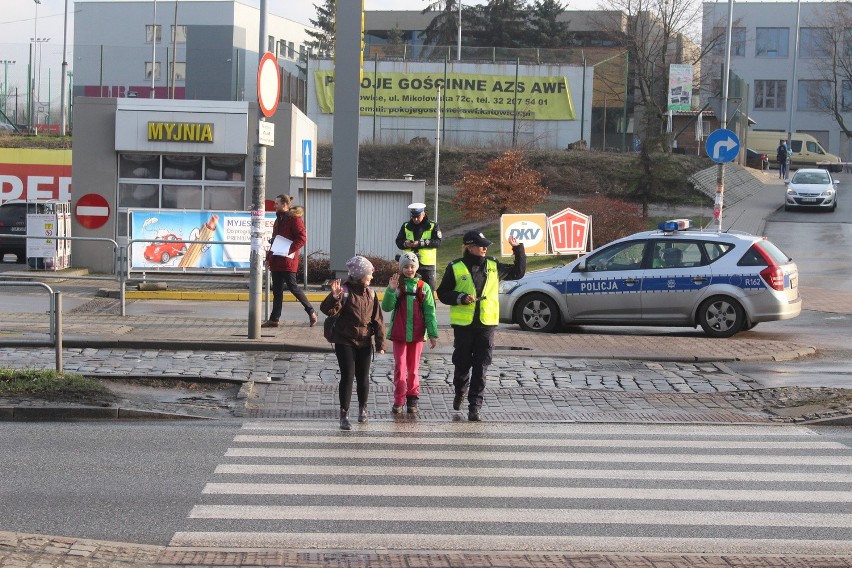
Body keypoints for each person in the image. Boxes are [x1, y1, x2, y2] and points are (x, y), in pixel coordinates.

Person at [436, 230, 525, 422]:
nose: (484, 248)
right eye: (480, 245)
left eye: (485, 245)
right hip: (464, 326)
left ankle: (474, 407)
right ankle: (460, 391)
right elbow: (443, 293)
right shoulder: (455, 267)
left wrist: (518, 249)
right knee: (462, 365)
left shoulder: (493, 265)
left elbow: (518, 272)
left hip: (486, 324)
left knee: (481, 367)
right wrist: (460, 298)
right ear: (469, 247)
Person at [320, 255, 386, 430]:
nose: (371, 277)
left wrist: (380, 344)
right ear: (359, 275)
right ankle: (344, 414)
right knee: (348, 377)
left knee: (363, 377)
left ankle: (363, 409)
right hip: (345, 340)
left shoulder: (371, 294)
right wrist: (334, 297)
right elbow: (327, 310)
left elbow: (378, 320)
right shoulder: (345, 291)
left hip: (365, 340)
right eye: (369, 274)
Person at [381, 251, 439, 415]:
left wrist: (433, 334)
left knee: (413, 369)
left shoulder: (424, 287)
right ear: (401, 268)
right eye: (405, 266)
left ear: (417, 267)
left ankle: (412, 399)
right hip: (399, 334)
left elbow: (430, 312)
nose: (409, 269)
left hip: (418, 335)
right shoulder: (397, 286)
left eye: (412, 266)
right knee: (400, 368)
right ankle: (398, 400)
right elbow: (386, 307)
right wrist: (391, 291)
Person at [262, 194, 318, 329]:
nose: (274, 206)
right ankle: (274, 319)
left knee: (293, 287)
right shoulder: (278, 220)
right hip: (276, 260)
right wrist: (269, 258)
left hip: (287, 261)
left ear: (285, 205)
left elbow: (302, 239)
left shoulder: (294, 220)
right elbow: (275, 240)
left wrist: (289, 250)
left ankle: (311, 311)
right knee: (277, 291)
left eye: (277, 203)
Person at [395, 202, 442, 292]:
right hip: (410, 265)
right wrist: (406, 243)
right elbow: (398, 241)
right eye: (413, 217)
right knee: (409, 292)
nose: (416, 219)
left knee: (428, 293)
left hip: (426, 266)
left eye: (418, 216)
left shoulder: (433, 226)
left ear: (423, 214)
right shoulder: (406, 226)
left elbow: (437, 242)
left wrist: (420, 243)